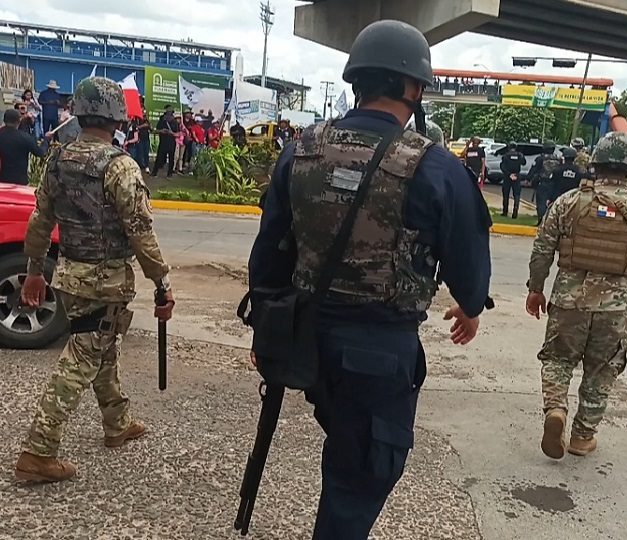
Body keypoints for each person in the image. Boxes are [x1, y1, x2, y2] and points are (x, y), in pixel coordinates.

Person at [247, 19, 491, 539]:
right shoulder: (437, 167)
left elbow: (270, 247)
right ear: (412, 87)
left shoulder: (302, 149)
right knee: (362, 473)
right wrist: (470, 305)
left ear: (357, 79)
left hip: (306, 337)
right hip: (378, 349)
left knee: (344, 439)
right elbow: (468, 262)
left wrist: (264, 327)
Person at [14, 76, 175, 483]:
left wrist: (34, 271)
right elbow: (140, 231)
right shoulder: (120, 167)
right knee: (81, 359)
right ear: (117, 115)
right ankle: (38, 451)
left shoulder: (58, 159)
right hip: (105, 281)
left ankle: (117, 422)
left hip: (69, 275)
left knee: (101, 345)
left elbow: (40, 221)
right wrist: (161, 282)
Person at [526, 131, 627, 460]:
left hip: (568, 301)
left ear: (596, 161)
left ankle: (555, 410)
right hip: (616, 308)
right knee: (602, 370)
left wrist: (536, 288)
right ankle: (582, 436)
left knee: (558, 360)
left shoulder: (569, 202)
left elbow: (542, 248)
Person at [0, 108, 50, 185]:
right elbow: (41, 153)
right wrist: (46, 140)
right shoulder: (25, 137)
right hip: (19, 181)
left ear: (4, 120)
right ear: (19, 121)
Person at [528, 140, 561, 225]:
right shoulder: (558, 159)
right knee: (553, 203)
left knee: (541, 203)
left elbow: (533, 169)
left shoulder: (540, 158)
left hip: (543, 183)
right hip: (554, 184)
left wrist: (528, 179)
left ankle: (541, 221)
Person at [499, 142, 526, 218]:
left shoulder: (506, 155)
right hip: (517, 176)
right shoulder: (519, 155)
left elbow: (502, 167)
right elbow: (524, 163)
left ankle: (505, 212)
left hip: (507, 176)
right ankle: (515, 212)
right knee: (517, 195)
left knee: (506, 195)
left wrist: (509, 174)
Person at [151, 105, 178, 177]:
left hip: (171, 143)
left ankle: (170, 173)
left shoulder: (175, 122)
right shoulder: (162, 120)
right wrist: (161, 131)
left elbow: (177, 134)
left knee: (171, 158)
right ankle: (154, 172)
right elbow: (156, 130)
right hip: (163, 142)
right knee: (159, 157)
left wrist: (170, 133)